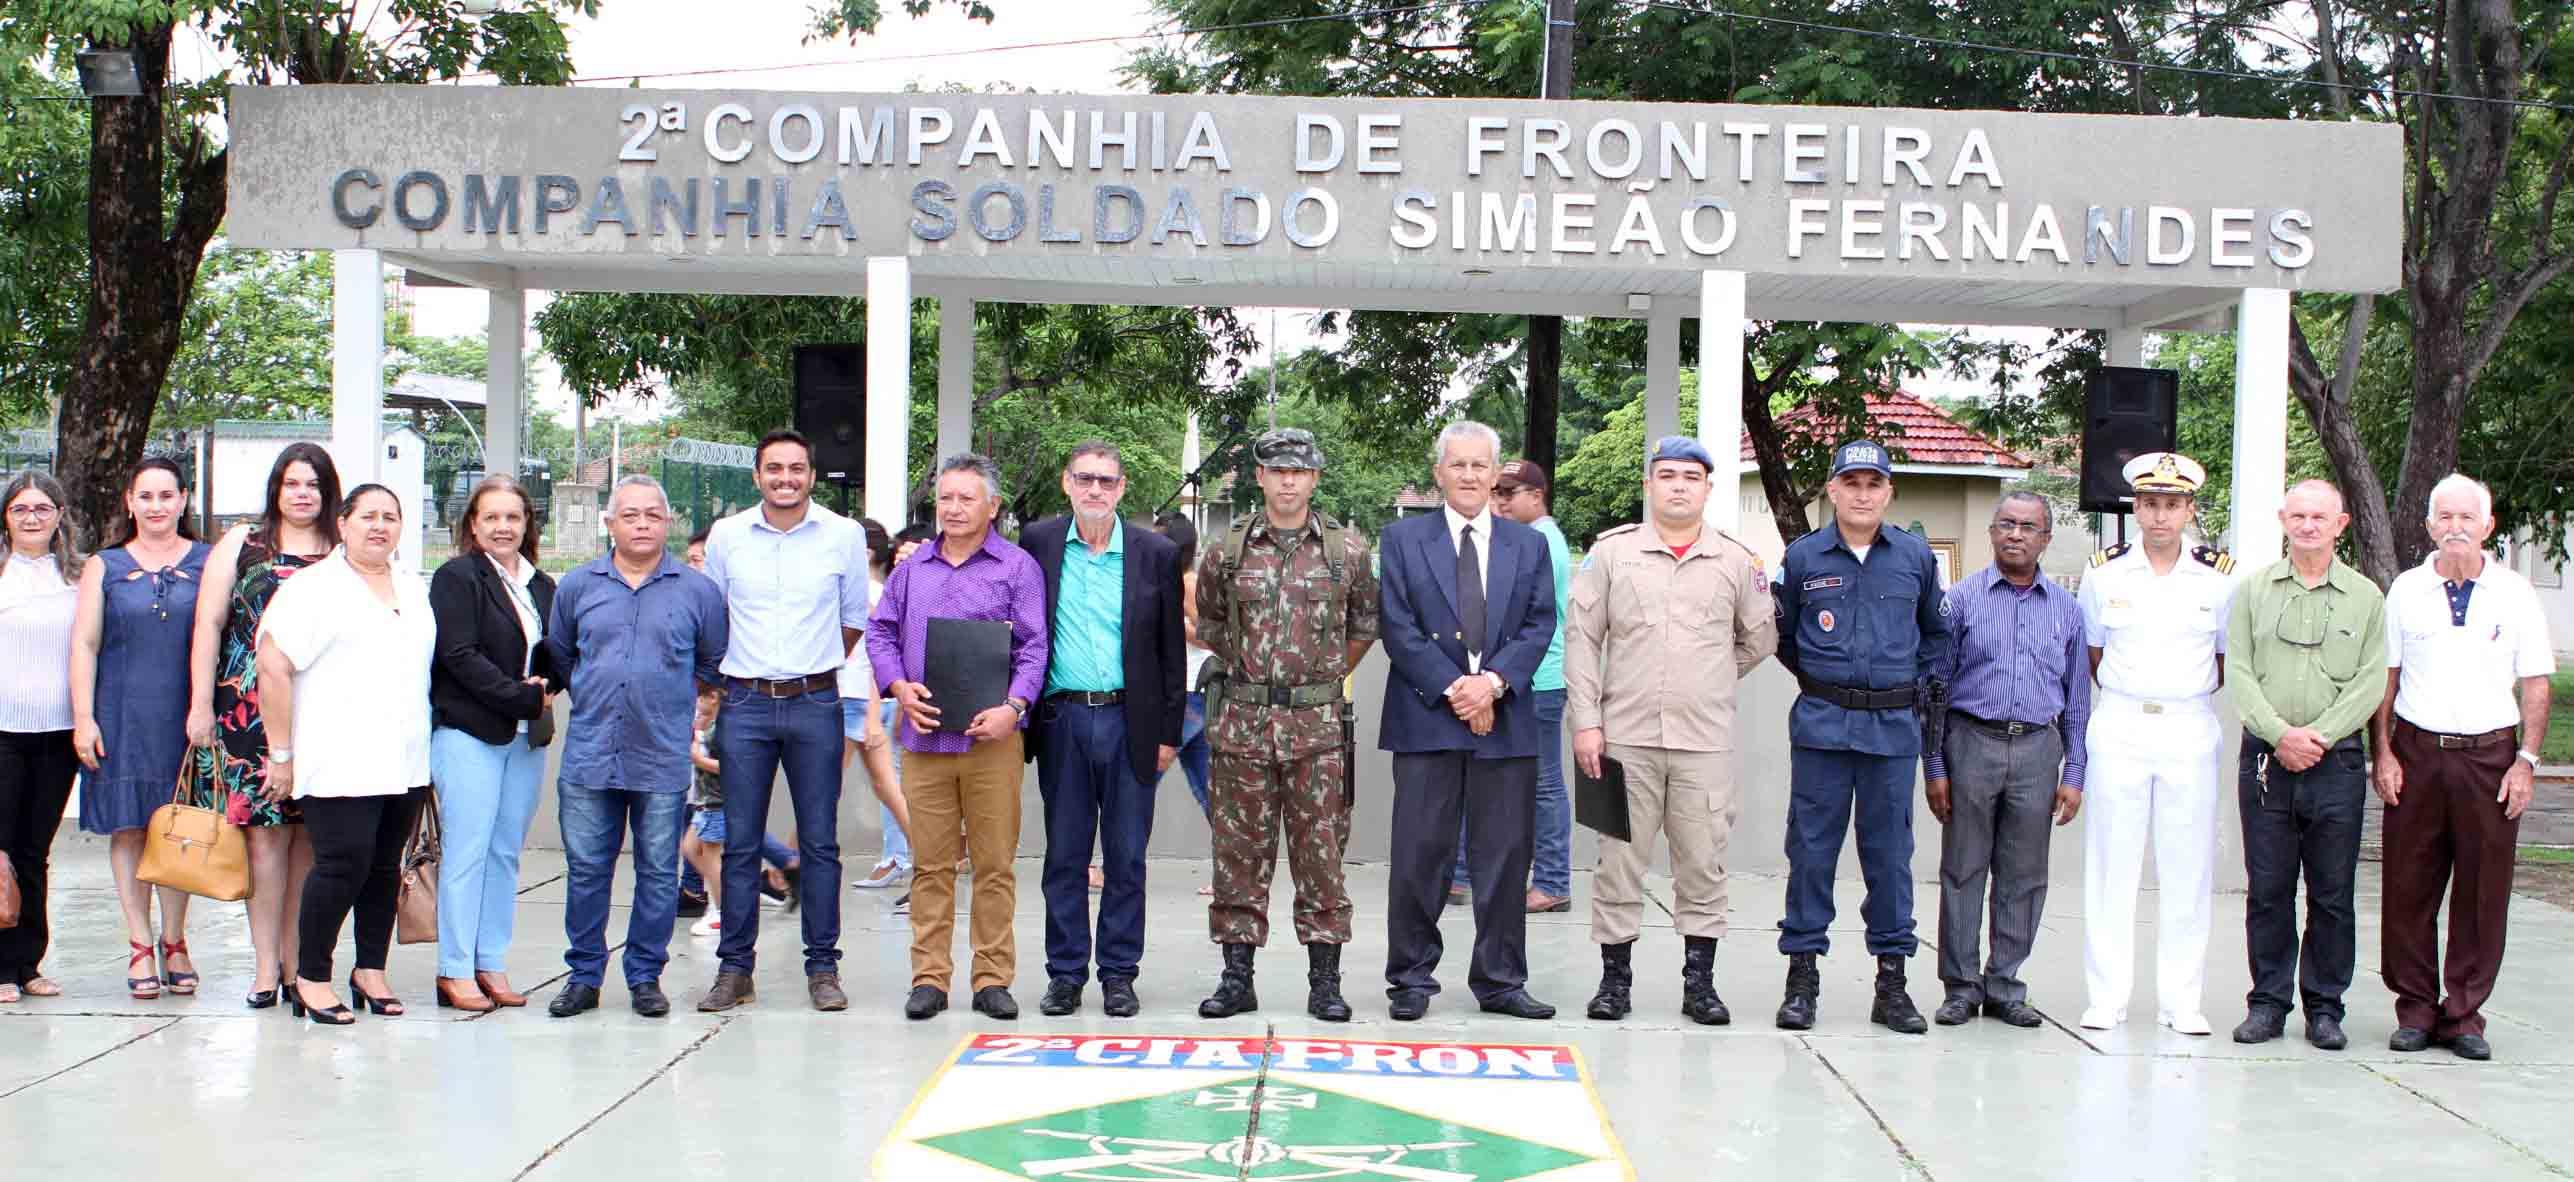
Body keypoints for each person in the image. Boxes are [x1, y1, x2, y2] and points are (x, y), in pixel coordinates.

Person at [1566, 436, 1777, 1025]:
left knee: (1703, 862)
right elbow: (1583, 640)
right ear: (1649, 486)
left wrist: (1710, 675)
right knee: (1616, 863)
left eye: (1691, 476)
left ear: (1708, 488)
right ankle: (1614, 984)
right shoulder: (1611, 555)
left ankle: (1700, 986)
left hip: (1703, 742)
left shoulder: (1736, 562)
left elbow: (1759, 637)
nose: (1679, 485)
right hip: (1621, 740)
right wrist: (1586, 723)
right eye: (1667, 475)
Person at [1194, 428, 1380, 1023]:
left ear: (1315, 478)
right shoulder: (1227, 549)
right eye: (1277, 471)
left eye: (1299, 471)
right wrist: (1257, 678)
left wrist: (1314, 684)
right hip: (1243, 726)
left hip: (1317, 732)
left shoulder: (1347, 552)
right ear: (1260, 477)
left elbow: (1364, 628)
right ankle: (1236, 977)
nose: (1288, 481)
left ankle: (1324, 982)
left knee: (1321, 855)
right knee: (1239, 855)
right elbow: (1213, 623)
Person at [1375, 422, 1556, 1022]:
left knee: (1504, 856)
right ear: (1439, 473)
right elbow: (1396, 627)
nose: (1471, 476)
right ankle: (1409, 979)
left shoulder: (1526, 545)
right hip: (1428, 716)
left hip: (1505, 719)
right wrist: (1458, 689)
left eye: (1482, 466)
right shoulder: (1402, 539)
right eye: (1459, 465)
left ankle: (1502, 981)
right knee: (1419, 854)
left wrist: (1492, 685)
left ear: (1495, 474)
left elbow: (1539, 624)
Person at [1770, 439, 1950, 1034]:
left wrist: (1901, 684)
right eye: (1852, 483)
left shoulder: (1916, 559)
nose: (1863, 493)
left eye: (1874, 483)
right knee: (1812, 854)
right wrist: (1829, 683)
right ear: (1833, 489)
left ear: (1889, 492)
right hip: (1822, 727)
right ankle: (1802, 982)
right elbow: (1787, 639)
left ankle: (1892, 985)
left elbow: (1935, 635)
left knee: (1890, 859)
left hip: (1892, 731)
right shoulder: (1802, 558)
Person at [2376, 473, 2555, 1061]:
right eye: (2444, 517)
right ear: (2429, 526)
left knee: (2483, 891)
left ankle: (2464, 1015)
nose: (2455, 527)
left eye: (2466, 518)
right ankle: (2416, 1009)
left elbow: (2535, 682)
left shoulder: (2515, 592)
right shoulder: (2405, 589)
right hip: (2418, 754)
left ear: (2488, 526)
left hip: (2490, 757)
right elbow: (2388, 677)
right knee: (2408, 886)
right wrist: (2383, 752)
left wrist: (2525, 762)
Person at [698, 429, 872, 1015]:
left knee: (820, 843)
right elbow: (713, 615)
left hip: (815, 702)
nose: (786, 478)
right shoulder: (727, 537)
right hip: (744, 704)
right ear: (757, 477)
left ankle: (823, 968)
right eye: (774, 468)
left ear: (812, 475)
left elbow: (852, 624)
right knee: (740, 842)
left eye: (797, 468)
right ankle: (734, 969)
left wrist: (805, 670)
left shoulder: (843, 536)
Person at [545, 475, 728, 1019]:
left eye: (652, 514)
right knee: (586, 870)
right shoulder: (578, 586)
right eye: (630, 515)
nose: (642, 523)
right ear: (610, 523)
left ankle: (646, 976)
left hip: (661, 753)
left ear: (667, 521)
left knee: (656, 872)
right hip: (590, 754)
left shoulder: (697, 592)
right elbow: (560, 655)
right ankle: (583, 976)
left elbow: (711, 663)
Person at [254, 484, 434, 1026]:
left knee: (383, 867)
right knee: (341, 865)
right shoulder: (315, 589)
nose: (379, 526)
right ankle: (310, 976)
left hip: (404, 756)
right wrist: (281, 755)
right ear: (344, 522)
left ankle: (371, 970)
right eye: (368, 516)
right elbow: (272, 667)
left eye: (391, 517)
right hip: (338, 756)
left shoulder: (411, 585)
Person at [2221, 479, 2387, 1050]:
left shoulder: (2366, 597)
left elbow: (2371, 681)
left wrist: (2316, 736)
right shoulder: (2253, 591)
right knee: (2267, 889)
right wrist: (2279, 735)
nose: (2309, 525)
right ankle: (2267, 1003)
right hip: (2267, 760)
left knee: (2332, 893)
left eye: (2321, 516)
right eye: (2299, 515)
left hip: (2334, 763)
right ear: (2282, 520)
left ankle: (2325, 1008)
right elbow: (2239, 672)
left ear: (2341, 524)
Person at [1022, 443, 1186, 1018]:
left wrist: (1170, 734)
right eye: (1085, 479)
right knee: (1064, 856)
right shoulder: (1038, 544)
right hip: (1062, 719)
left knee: (1125, 856)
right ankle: (1065, 974)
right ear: (1067, 484)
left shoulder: (1156, 554)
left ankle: (1119, 972)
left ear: (1122, 488)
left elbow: (1172, 654)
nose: (1095, 490)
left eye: (1107, 481)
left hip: (1130, 723)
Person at [2077, 451, 2236, 1036]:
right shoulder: (2105, 571)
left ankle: (2181, 1001)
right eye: (2149, 504)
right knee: (2111, 864)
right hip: (2120, 722)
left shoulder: (2220, 576)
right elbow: (2094, 653)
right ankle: (2107, 996)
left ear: (2190, 509)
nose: (2160, 515)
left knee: (2186, 867)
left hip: (2189, 727)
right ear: (2136, 508)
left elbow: (2222, 655)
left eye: (2172, 504)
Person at [1921, 492, 2089, 1029]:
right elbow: (1936, 688)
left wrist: (2076, 771)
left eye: (2028, 527)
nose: (2016, 535)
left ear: (2046, 539)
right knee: (1963, 869)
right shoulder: (1961, 601)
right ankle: (1961, 987)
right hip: (1972, 744)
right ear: (1993, 533)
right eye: (2007, 525)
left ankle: (2005, 984)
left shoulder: (2067, 610)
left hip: (2039, 748)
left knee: (2024, 875)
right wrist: (1935, 767)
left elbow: (2078, 698)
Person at [187, 442, 339, 1010]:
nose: (303, 494)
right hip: (246, 706)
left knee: (310, 839)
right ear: (276, 488)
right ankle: (264, 967)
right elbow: (209, 622)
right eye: (293, 483)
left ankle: (302, 963)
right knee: (265, 836)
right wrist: (201, 704)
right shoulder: (243, 543)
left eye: (314, 485)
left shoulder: (342, 549)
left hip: (321, 707)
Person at [70, 456, 210, 1000]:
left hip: (186, 716)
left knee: (179, 829)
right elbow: (84, 644)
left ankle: (175, 941)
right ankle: (138, 944)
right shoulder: (103, 566)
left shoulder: (206, 562)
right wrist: (84, 718)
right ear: (129, 502)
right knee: (130, 831)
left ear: (182, 500)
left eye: (166, 496)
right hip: (120, 714)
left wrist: (206, 712)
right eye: (145, 497)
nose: (156, 507)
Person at [424, 475, 560, 1013]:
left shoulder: (541, 585)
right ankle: (454, 970)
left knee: (504, 854)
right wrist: (522, 698)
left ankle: (490, 963)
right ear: (472, 525)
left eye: (513, 517)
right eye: (492, 518)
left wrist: (548, 688)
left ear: (527, 525)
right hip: (470, 735)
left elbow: (556, 655)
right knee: (467, 851)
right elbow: (458, 656)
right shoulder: (456, 578)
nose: (503, 527)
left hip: (525, 742)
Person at [676, 529, 794, 919]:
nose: (698, 567)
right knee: (711, 827)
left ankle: (722, 909)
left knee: (716, 826)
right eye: (692, 559)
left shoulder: (739, 606)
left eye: (704, 559)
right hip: (696, 715)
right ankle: (733, 891)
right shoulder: (687, 601)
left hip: (728, 711)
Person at [0, 473, 81, 1003]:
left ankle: (27, 964)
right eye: (19, 508)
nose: (32, 517)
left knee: (34, 851)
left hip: (57, 732)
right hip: (2, 730)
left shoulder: (78, 576)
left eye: (42, 508)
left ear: (59, 516)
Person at [842, 518, 910, 895]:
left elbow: (873, 653)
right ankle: (922, 859)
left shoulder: (867, 593)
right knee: (888, 788)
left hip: (859, 701)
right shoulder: (878, 591)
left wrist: (871, 712)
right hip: (863, 701)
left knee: (825, 790)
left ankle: (785, 864)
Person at [1154, 512, 1216, 821]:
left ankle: (1116, 865)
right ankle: (1238, 860)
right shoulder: (1167, 582)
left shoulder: (1188, 584)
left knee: (1142, 779)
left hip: (1189, 693)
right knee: (1209, 789)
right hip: (1184, 693)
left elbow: (1211, 638)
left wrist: (1172, 625)